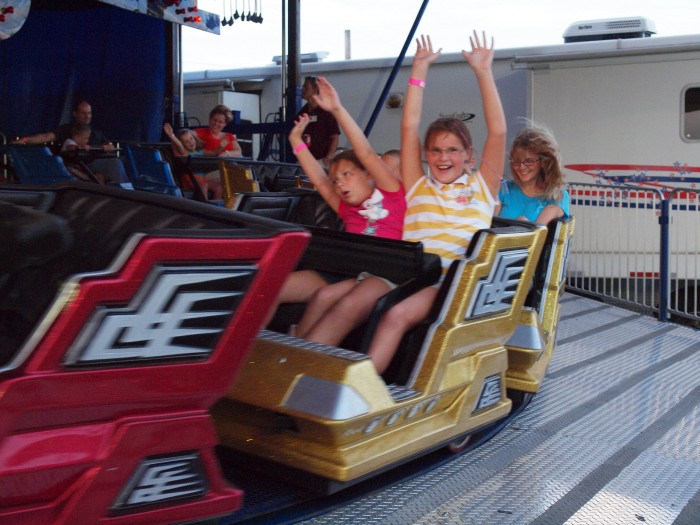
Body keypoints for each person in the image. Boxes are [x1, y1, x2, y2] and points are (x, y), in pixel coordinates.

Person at [365, 32, 507, 374]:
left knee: (396, 315)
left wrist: (484, 72)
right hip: (411, 276)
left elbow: (498, 132)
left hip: (449, 285)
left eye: (452, 150)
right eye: (436, 150)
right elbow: (409, 124)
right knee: (349, 297)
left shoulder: (481, 187)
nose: (444, 158)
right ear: (426, 155)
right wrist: (419, 70)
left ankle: (360, 397)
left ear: (467, 155)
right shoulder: (418, 185)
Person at [285, 76, 405, 345]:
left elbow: (363, 151)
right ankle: (294, 349)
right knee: (323, 296)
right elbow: (319, 179)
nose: (339, 184)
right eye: (337, 180)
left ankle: (308, 356)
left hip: (388, 275)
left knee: (344, 303)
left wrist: (337, 109)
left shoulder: (393, 194)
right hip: (360, 274)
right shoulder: (348, 209)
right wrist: (296, 141)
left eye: (347, 175)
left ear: (369, 173)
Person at [13, 100, 129, 184]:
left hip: (94, 164)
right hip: (75, 165)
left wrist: (108, 147)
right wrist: (23, 140)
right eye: (83, 113)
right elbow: (46, 137)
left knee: (116, 162)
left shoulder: (96, 132)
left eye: (89, 113)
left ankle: (122, 194)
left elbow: (110, 145)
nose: (87, 117)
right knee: (114, 164)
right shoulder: (66, 129)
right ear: (75, 114)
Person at [496, 122, 569, 224]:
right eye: (516, 161)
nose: (521, 167)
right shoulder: (503, 188)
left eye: (529, 161)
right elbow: (487, 226)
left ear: (544, 161)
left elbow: (537, 234)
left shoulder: (556, 196)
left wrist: (520, 225)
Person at [193, 104, 242, 200]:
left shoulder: (229, 136)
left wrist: (227, 153)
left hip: (225, 168)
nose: (216, 124)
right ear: (209, 119)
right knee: (233, 175)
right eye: (214, 120)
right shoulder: (198, 133)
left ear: (225, 124)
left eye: (220, 122)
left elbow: (238, 151)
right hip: (206, 171)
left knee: (244, 174)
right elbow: (191, 149)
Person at [296, 76, 341, 168]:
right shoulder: (302, 113)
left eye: (306, 87)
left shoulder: (326, 111)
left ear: (315, 89)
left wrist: (329, 157)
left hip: (322, 161)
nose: (302, 89)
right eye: (303, 86)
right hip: (306, 160)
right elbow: (297, 138)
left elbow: (334, 137)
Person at [162, 122, 210, 199]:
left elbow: (214, 153)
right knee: (203, 185)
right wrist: (172, 136)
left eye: (191, 139)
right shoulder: (185, 153)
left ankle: (220, 207)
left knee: (218, 187)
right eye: (186, 142)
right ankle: (206, 208)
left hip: (203, 177)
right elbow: (179, 145)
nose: (190, 142)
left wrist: (223, 148)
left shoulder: (201, 152)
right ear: (183, 144)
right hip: (190, 178)